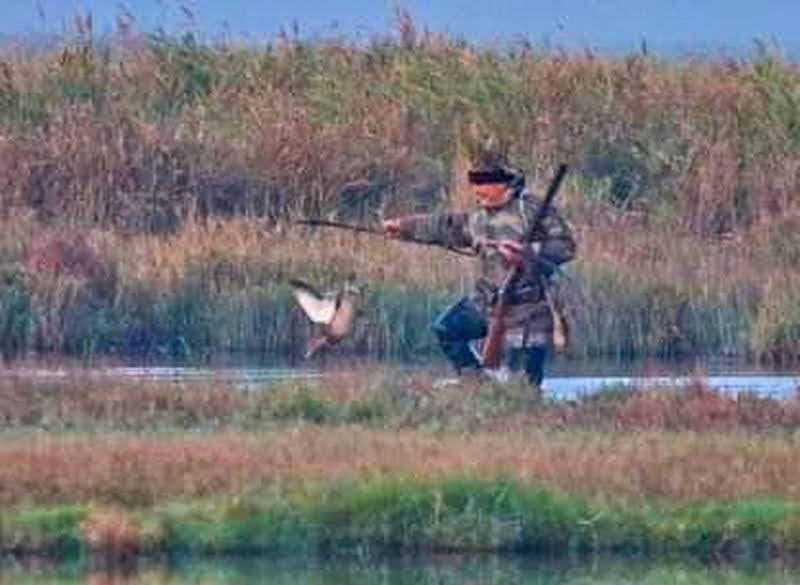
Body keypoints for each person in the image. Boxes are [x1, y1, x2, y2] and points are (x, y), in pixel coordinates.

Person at [382, 154, 576, 386]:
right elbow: (444, 226)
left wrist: (529, 252)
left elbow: (566, 247)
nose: (477, 189)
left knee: (524, 388)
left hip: (528, 309)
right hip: (486, 302)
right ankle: (475, 385)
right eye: (475, 183)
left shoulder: (532, 210)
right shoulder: (477, 218)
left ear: (504, 184)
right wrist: (402, 227)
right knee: (446, 328)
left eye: (484, 182)